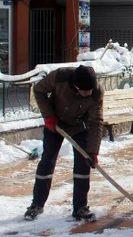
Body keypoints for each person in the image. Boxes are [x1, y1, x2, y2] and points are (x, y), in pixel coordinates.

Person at [25, 65, 104, 222]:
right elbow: (39, 91)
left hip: (80, 127)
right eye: (85, 91)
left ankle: (80, 208)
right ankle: (36, 204)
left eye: (90, 90)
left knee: (83, 165)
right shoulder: (59, 77)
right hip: (55, 124)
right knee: (47, 161)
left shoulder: (96, 92)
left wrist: (93, 151)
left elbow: (96, 121)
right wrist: (49, 116)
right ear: (76, 86)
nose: (89, 93)